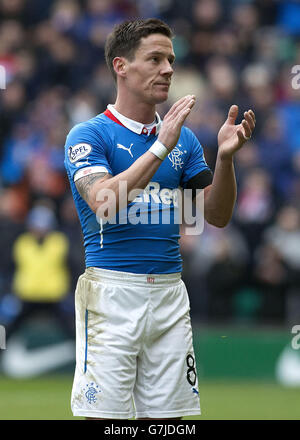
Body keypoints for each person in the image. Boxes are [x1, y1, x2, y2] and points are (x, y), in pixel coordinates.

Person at [64, 18, 255, 420]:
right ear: (121, 66)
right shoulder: (89, 135)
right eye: (154, 59)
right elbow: (103, 202)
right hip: (111, 295)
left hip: (170, 292)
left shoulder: (183, 140)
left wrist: (224, 160)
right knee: (107, 422)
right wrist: (159, 147)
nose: (168, 68)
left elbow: (216, 215)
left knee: (170, 423)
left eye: (170, 59)